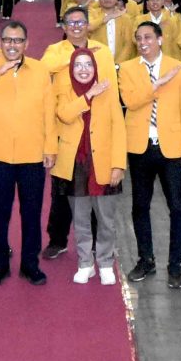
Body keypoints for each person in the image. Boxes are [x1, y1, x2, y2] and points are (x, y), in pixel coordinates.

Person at [0, 19, 53, 286]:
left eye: (18, 40)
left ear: (26, 44)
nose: (12, 45)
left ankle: (30, 265)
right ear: (0, 42)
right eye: (7, 40)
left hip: (32, 154)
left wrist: (50, 147)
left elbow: (49, 111)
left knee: (31, 213)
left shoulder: (40, 70)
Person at [119, 19, 181, 288]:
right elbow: (131, 101)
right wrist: (157, 84)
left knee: (177, 207)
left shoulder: (180, 68)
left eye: (148, 37)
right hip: (140, 147)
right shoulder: (127, 68)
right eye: (139, 38)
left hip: (171, 148)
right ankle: (145, 259)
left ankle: (175, 265)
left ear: (160, 39)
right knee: (140, 206)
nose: (143, 43)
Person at [49, 45, 130, 284]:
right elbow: (64, 114)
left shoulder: (108, 91)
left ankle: (105, 262)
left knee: (106, 219)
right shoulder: (65, 91)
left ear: (95, 67)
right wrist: (88, 96)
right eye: (78, 65)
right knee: (81, 219)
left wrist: (118, 165)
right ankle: (85, 263)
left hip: (103, 163)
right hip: (75, 164)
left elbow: (119, 129)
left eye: (88, 65)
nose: (83, 70)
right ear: (71, 68)